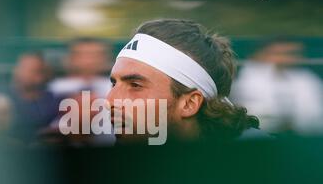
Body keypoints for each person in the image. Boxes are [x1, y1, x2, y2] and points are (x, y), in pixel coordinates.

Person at [106, 18, 264, 144]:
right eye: (114, 83)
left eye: (135, 85)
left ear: (190, 103)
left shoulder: (262, 168)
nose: (109, 100)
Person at [231, 39, 323, 135]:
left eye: (291, 54)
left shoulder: (308, 80)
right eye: (278, 54)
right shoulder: (244, 79)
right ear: (260, 54)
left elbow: (317, 115)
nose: (285, 59)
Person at [0, 53, 59, 144]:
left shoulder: (51, 100)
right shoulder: (0, 95)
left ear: (43, 75)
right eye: (22, 68)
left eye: (32, 70)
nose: (24, 74)